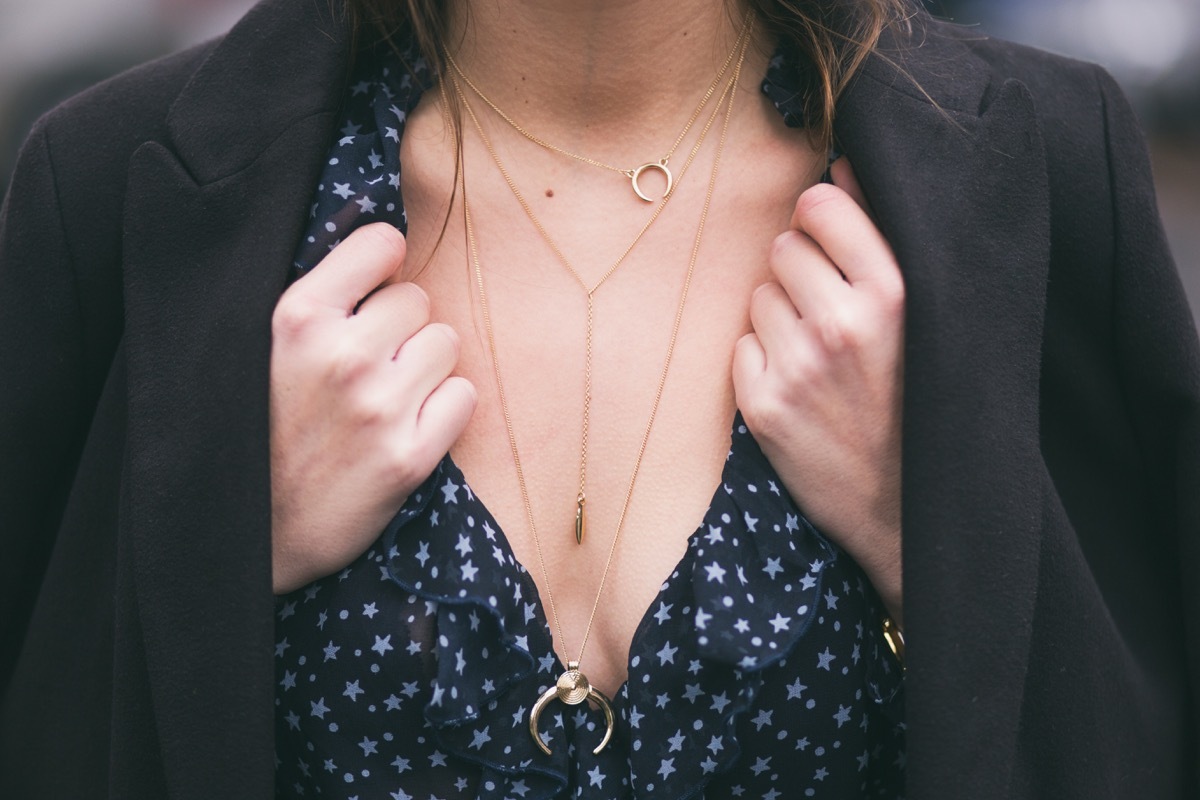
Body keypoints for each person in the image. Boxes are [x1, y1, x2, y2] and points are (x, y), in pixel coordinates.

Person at [0, 0, 1196, 797]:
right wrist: (210, 531)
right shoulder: (106, 189)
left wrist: (935, 527)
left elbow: (1136, 735)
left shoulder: (1045, 168)